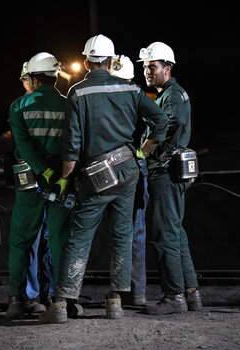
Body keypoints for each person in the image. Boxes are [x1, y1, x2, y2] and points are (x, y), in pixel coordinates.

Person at [40, 35, 169, 323]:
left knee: (79, 236)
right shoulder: (131, 89)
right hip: (127, 171)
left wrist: (65, 178)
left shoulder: (77, 92)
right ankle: (115, 302)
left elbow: (71, 144)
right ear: (112, 62)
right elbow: (160, 121)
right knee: (122, 235)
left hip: (94, 176)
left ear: (86, 62)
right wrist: (143, 151)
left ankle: (61, 303)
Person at [138, 42, 202, 315]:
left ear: (168, 68)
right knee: (177, 233)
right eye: (145, 67)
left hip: (165, 170)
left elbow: (170, 126)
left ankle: (173, 295)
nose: (147, 72)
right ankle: (191, 293)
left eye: (152, 67)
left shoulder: (172, 96)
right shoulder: (172, 94)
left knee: (163, 234)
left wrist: (144, 150)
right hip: (173, 170)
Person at [5, 52, 71, 319]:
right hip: (61, 180)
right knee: (60, 240)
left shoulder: (19, 106)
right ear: (55, 77)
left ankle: (17, 300)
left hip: (30, 181)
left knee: (21, 240)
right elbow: (74, 144)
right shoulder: (69, 104)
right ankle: (62, 299)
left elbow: (22, 145)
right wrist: (59, 175)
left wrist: (41, 170)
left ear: (33, 78)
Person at [110, 55, 149, 306]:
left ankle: (119, 292)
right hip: (135, 167)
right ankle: (135, 291)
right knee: (135, 231)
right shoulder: (139, 97)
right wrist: (143, 152)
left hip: (107, 168)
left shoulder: (107, 97)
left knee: (114, 232)